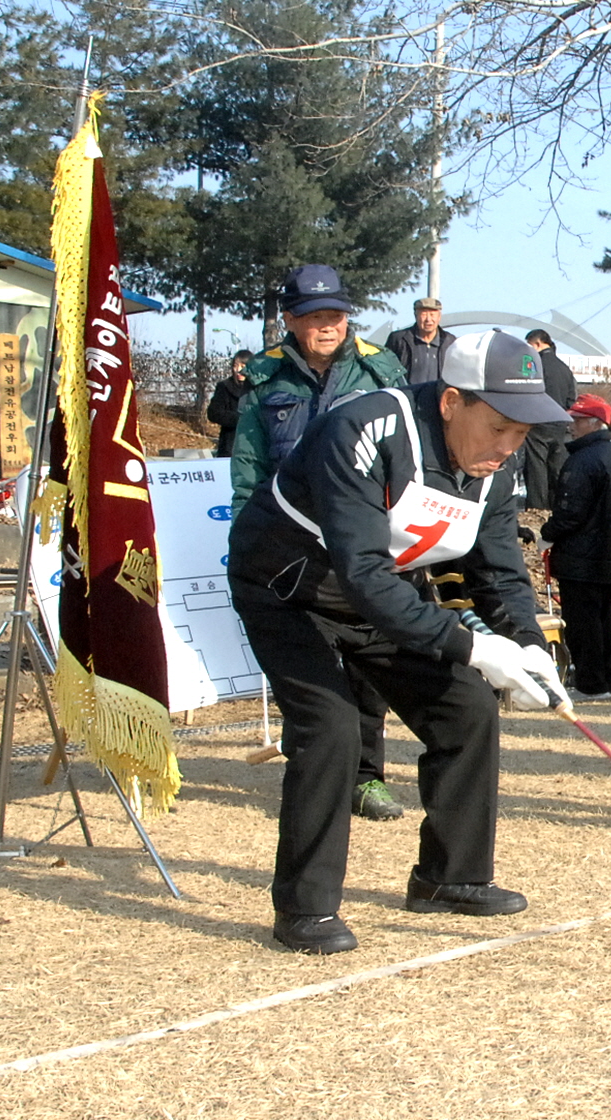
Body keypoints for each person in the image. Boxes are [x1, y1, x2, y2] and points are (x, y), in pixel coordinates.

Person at [227, 330, 570, 954]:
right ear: (450, 402)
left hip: (384, 596)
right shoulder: (363, 429)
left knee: (465, 709)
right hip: (289, 591)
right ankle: (305, 909)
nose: (508, 446)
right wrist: (473, 647)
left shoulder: (499, 466)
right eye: (498, 427)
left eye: (522, 432)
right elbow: (360, 571)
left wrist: (527, 644)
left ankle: (450, 878)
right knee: (330, 728)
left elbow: (497, 571)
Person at [229, 265, 408, 822]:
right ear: (290, 320)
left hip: (364, 536)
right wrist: (246, 537)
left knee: (368, 660)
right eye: (312, 317)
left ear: (347, 318)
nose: (326, 326)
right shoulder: (265, 379)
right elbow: (249, 466)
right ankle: (314, 767)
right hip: (290, 543)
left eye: (334, 315)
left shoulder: (381, 370)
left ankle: (367, 778)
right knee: (304, 664)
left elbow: (405, 453)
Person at [540, 393, 611, 700]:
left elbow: (569, 511)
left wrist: (547, 533)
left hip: (579, 554)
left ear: (593, 423)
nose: (571, 427)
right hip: (608, 552)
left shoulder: (581, 460)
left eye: (576, 421)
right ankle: (606, 680)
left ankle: (589, 683)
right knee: (603, 618)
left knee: (582, 621)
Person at [521, 329, 579, 509]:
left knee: (536, 466)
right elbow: (571, 399)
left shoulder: (534, 365)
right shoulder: (564, 368)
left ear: (538, 344)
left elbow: (525, 393)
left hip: (538, 421)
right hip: (560, 423)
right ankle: (559, 505)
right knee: (557, 467)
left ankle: (536, 508)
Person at [385, 296, 456, 384]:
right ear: (416, 316)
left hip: (437, 395)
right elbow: (386, 371)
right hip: (408, 395)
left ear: (439, 317)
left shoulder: (449, 341)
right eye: (424, 314)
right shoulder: (399, 339)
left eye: (432, 315)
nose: (428, 319)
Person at [207, 349, 253, 456]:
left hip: (253, 444)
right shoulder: (224, 387)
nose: (238, 370)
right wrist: (239, 419)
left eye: (243, 366)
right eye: (235, 366)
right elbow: (213, 413)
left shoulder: (259, 388)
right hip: (230, 444)